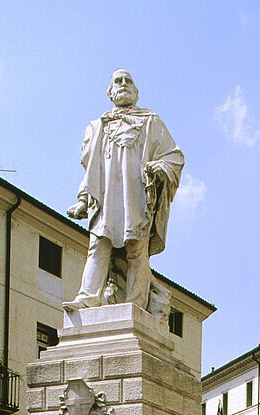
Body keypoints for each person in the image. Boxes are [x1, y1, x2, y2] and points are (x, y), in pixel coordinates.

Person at [63, 69, 184, 315]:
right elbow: (91, 169)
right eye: (118, 81)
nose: (123, 84)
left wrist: (160, 167)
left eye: (128, 81)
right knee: (98, 245)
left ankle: (136, 305)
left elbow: (174, 156)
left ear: (136, 92)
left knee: (136, 250)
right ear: (110, 92)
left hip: (137, 196)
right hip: (106, 198)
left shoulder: (151, 121)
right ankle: (87, 298)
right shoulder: (98, 127)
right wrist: (84, 200)